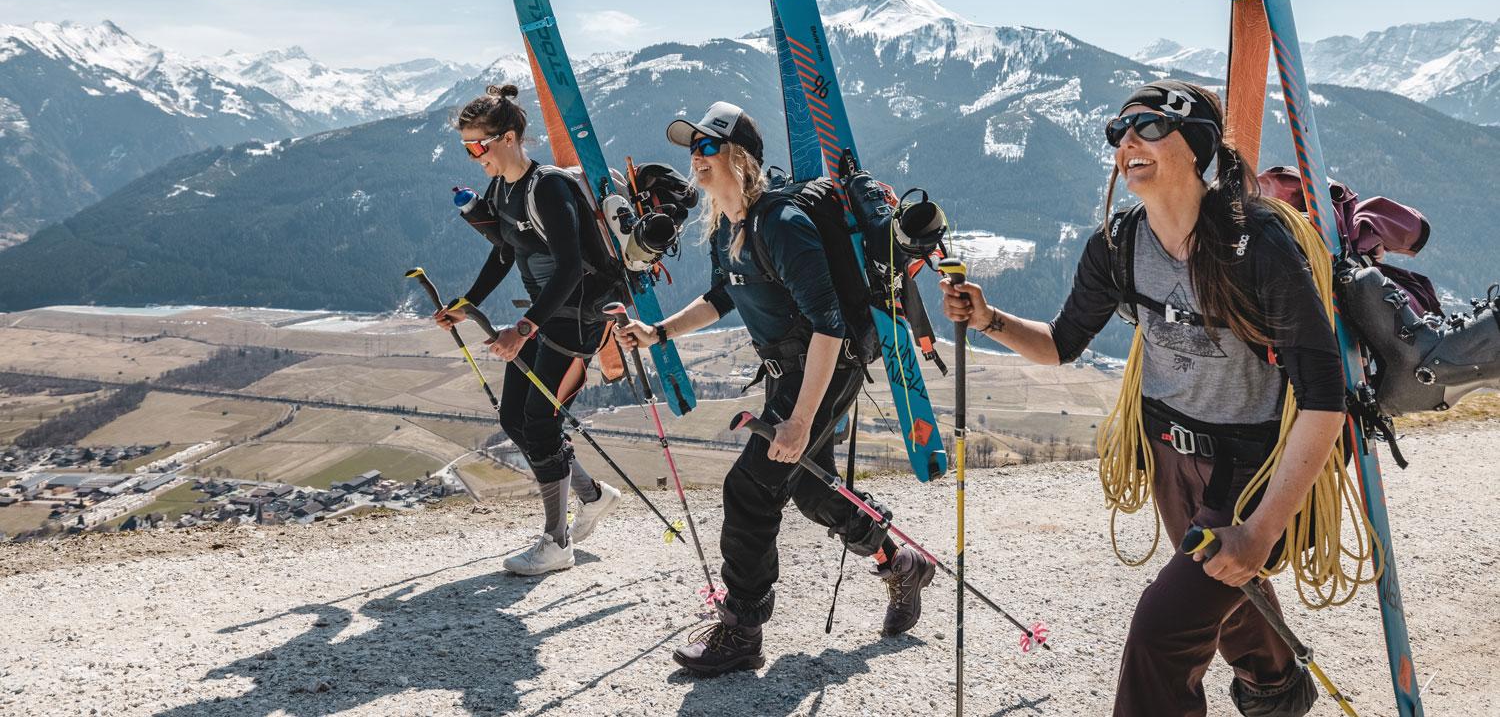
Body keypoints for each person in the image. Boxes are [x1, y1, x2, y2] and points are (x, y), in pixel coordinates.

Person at [941, 80, 1344, 717]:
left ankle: (1273, 686)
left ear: (1198, 146)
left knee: (1164, 628)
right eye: (1119, 131)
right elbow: (1061, 342)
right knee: (1223, 592)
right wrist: (990, 320)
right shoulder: (1118, 244)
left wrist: (1262, 531)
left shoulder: (1258, 248)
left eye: (1149, 128)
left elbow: (1324, 397)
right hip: (1168, 457)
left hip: (1248, 467)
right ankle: (1277, 688)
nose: (1127, 142)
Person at [617, 101, 933, 676]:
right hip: (794, 370)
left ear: (741, 157)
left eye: (708, 147)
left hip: (825, 365)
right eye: (692, 148)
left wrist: (800, 419)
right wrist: (659, 332)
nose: (696, 157)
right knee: (811, 489)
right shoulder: (727, 226)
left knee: (751, 488)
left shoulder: (781, 225)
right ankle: (902, 563)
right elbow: (723, 297)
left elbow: (828, 323)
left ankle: (742, 630)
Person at [440, 84, 620, 576]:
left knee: (540, 422)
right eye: (467, 148)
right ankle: (593, 495)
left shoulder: (550, 188)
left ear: (511, 137)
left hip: (576, 316)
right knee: (516, 420)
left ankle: (557, 542)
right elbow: (505, 253)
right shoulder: (502, 190)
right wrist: (468, 304)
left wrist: (521, 328)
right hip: (544, 315)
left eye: (479, 145)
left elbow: (568, 269)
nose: (475, 157)